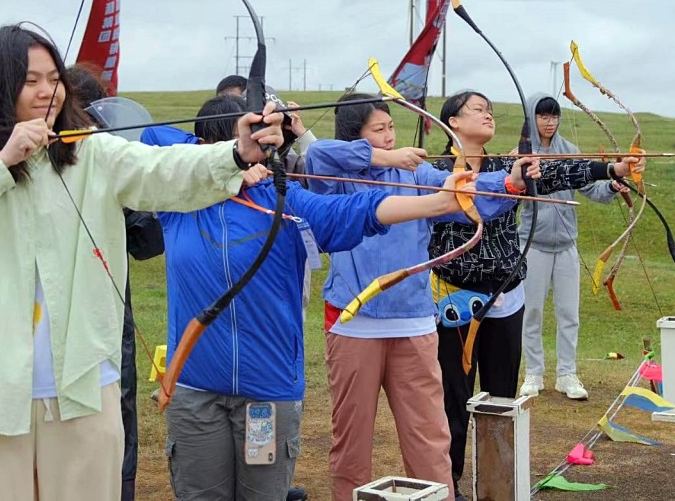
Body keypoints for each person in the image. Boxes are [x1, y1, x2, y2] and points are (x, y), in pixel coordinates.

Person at [0, 24, 283, 501]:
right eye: (30, 81)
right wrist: (1, 164)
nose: (47, 91)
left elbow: (163, 171)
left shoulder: (94, 153)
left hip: (84, 385)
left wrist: (235, 152)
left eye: (54, 78)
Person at [143, 94, 477, 501]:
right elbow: (147, 136)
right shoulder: (178, 202)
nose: (260, 151)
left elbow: (356, 210)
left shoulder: (282, 200)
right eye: (248, 140)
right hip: (195, 388)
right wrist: (221, 165)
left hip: (267, 389)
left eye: (262, 141)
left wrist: (440, 201)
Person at [305, 93, 538, 501]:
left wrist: (509, 182)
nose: (391, 136)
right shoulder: (339, 178)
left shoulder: (419, 177)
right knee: (351, 441)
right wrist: (384, 159)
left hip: (413, 320)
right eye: (379, 130)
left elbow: (463, 191)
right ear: (354, 136)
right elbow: (319, 155)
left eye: (391, 127)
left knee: (430, 437)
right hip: (354, 321)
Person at [428, 91, 644, 499]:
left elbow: (559, 174)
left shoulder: (508, 165)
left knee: (501, 403)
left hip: (505, 299)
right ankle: (448, 485)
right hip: (453, 302)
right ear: (453, 122)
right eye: (477, 109)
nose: (487, 114)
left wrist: (612, 167)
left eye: (489, 108)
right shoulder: (433, 171)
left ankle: (497, 486)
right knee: (452, 402)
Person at [66, 63, 166, 501]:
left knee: (115, 402)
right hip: (65, 311)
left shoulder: (109, 160)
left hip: (107, 307)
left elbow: (144, 242)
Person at [518, 93, 634, 401]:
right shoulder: (521, 153)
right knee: (531, 311)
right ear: (532, 117)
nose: (549, 122)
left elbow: (589, 185)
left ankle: (566, 374)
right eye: (543, 116)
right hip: (533, 244)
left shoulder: (569, 151)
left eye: (554, 116)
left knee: (569, 313)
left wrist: (610, 184)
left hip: (566, 245)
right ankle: (533, 372)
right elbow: (509, 192)